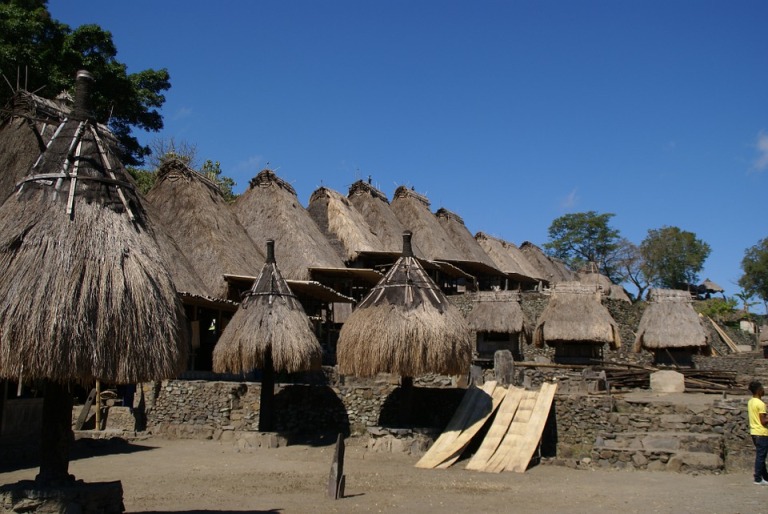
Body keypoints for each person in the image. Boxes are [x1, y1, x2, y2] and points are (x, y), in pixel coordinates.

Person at [748, 380, 768, 485]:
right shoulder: (760, 404)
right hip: (762, 432)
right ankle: (757, 478)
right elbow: (763, 421)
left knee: (761, 455)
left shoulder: (751, 401)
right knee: (761, 457)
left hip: (754, 431)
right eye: (762, 389)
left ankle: (765, 477)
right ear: (759, 390)